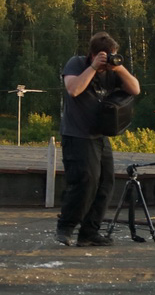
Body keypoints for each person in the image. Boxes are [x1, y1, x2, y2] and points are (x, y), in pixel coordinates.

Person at [55, 32, 140, 246]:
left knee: (105, 183)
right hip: (77, 134)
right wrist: (93, 68)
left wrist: (118, 67)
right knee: (85, 182)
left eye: (113, 55)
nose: (107, 61)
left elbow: (135, 89)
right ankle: (65, 227)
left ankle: (89, 232)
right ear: (92, 54)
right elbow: (73, 90)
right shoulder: (77, 64)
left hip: (100, 135)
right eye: (104, 56)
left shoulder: (113, 70)